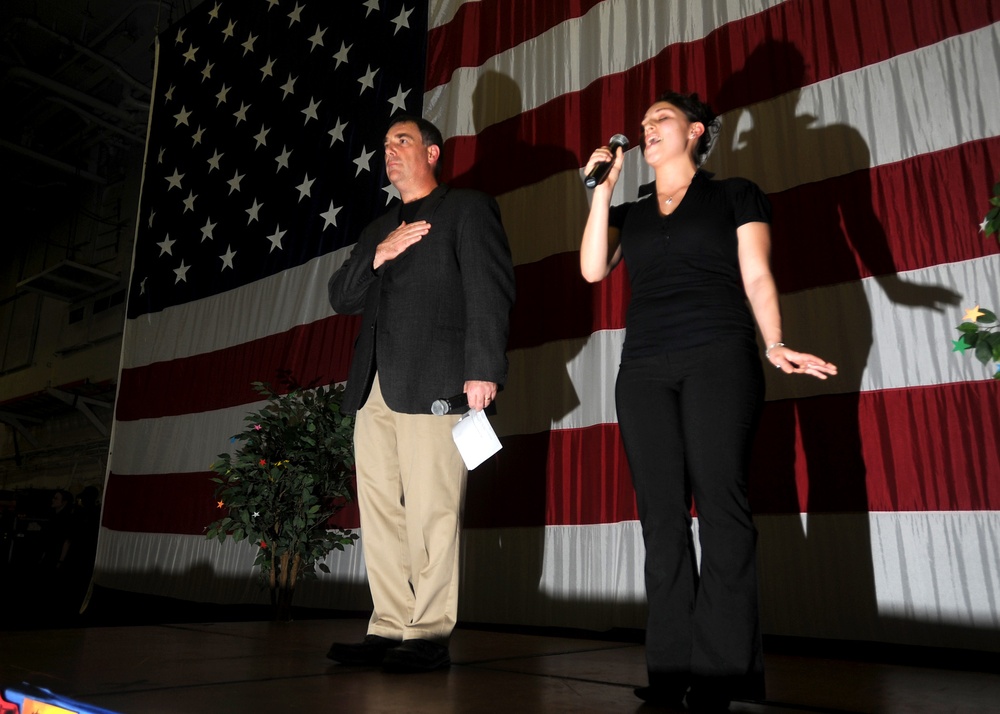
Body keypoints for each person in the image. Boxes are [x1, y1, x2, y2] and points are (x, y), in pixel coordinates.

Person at [579, 92, 837, 711]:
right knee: (661, 520)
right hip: (643, 368)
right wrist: (600, 190)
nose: (646, 130)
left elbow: (756, 274)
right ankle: (670, 671)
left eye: (659, 120)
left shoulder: (735, 194)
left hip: (718, 355)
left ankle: (724, 675)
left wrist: (774, 342)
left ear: (695, 131)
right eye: (642, 124)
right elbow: (592, 270)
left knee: (721, 510)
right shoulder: (633, 209)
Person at [326, 114, 516, 672]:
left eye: (402, 141)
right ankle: (389, 624)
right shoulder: (376, 229)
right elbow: (341, 297)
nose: (390, 152)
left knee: (434, 508)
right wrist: (378, 253)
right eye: (384, 145)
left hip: (437, 380)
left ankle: (428, 631)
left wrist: (483, 369)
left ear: (433, 153)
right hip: (374, 387)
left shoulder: (467, 208)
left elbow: (490, 290)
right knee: (380, 510)